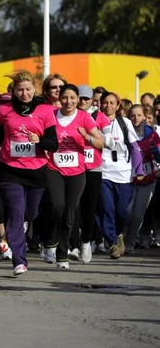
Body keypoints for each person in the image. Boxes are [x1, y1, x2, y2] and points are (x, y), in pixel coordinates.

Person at [0, 70, 58, 277]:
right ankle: (19, 261)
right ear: (14, 91)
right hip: (10, 170)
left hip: (37, 171)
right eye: (20, 90)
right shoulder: (4, 109)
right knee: (15, 214)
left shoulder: (45, 111)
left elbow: (53, 145)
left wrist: (39, 141)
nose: (24, 93)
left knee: (30, 213)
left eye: (28, 89)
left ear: (35, 89)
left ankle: (24, 223)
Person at [41, 84, 104, 269]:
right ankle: (50, 244)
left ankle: (62, 255)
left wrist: (87, 138)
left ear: (77, 99)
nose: (69, 101)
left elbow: (101, 142)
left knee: (69, 212)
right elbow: (38, 135)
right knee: (56, 205)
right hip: (54, 168)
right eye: (65, 97)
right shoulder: (51, 116)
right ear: (60, 98)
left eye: (72, 98)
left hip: (77, 172)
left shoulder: (84, 117)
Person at [97, 91, 142, 259]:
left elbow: (135, 146)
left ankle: (118, 234)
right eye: (105, 102)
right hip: (103, 172)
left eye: (111, 103)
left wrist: (139, 169)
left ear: (117, 105)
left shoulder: (125, 122)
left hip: (123, 173)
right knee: (107, 209)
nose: (108, 106)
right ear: (100, 104)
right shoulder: (95, 121)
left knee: (122, 211)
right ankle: (112, 243)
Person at [73, 85, 113, 263]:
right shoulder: (68, 114)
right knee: (73, 207)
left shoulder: (100, 116)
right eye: (80, 97)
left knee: (89, 207)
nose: (82, 101)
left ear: (92, 100)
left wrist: (88, 137)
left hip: (93, 167)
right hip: (72, 166)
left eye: (86, 98)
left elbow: (108, 142)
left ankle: (87, 242)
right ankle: (72, 244)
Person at [124, 105, 160, 253]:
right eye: (133, 115)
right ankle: (119, 239)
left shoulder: (152, 134)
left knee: (138, 215)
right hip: (128, 179)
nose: (136, 118)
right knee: (125, 212)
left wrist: (156, 153)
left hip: (147, 181)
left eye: (139, 115)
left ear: (145, 116)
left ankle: (129, 244)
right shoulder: (124, 133)